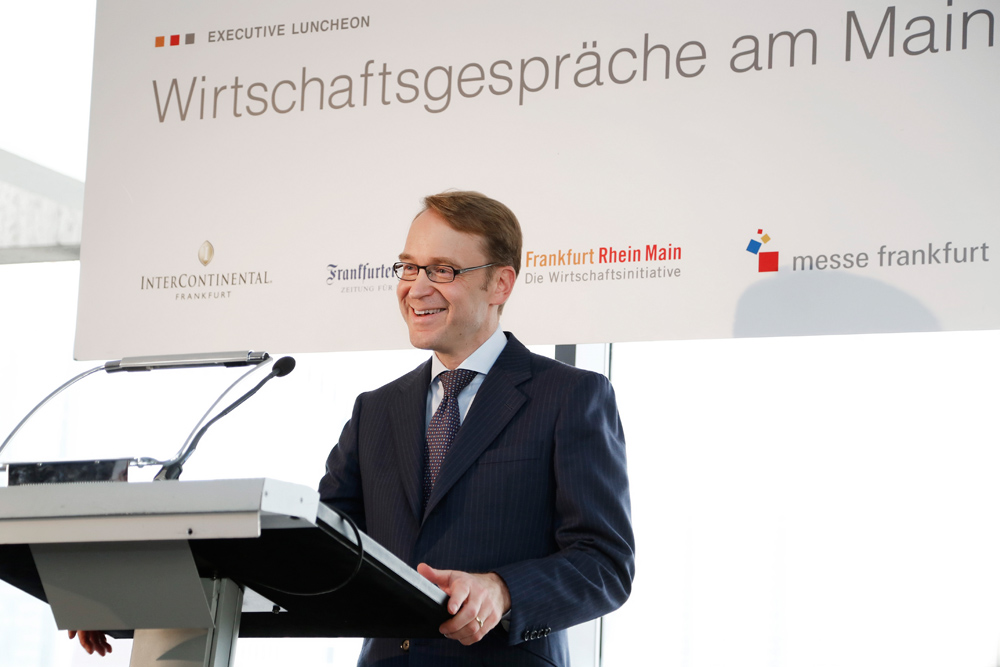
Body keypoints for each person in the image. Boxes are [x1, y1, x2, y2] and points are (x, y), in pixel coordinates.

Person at [318, 190, 635, 665]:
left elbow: (604, 564)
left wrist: (502, 590)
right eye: (409, 267)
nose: (416, 288)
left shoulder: (570, 396)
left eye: (442, 270)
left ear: (500, 284)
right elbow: (327, 544)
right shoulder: (375, 410)